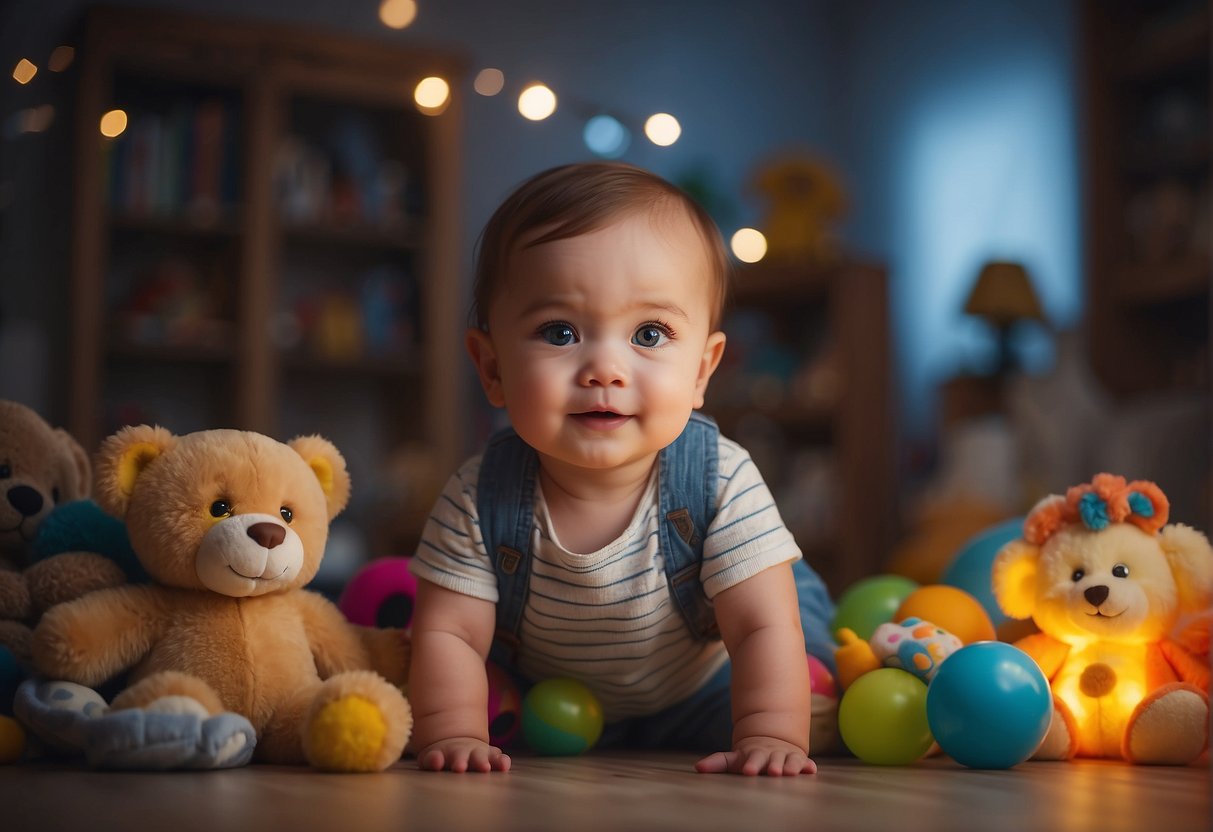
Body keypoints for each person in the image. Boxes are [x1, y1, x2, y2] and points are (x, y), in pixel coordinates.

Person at [407, 161, 834, 776]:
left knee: (804, 674)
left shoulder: (719, 480)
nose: (604, 368)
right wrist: (455, 733)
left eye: (650, 333)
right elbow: (451, 634)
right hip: (559, 706)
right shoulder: (478, 496)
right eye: (559, 332)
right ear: (492, 368)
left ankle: (833, 670)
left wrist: (771, 734)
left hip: (713, 691)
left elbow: (761, 628)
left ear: (702, 371)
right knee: (441, 676)